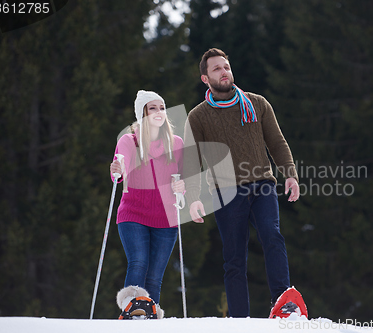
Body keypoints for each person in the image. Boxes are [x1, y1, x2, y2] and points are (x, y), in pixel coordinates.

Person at [183, 48, 300, 317]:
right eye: (216, 69)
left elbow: (277, 142)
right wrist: (193, 198)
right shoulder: (198, 116)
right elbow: (190, 161)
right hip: (225, 193)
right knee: (234, 259)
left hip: (263, 185)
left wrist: (290, 174)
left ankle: (284, 304)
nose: (224, 72)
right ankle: (239, 320)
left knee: (273, 236)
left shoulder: (257, 103)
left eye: (226, 66)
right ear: (205, 78)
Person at [110, 90, 185, 317]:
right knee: (139, 262)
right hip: (133, 212)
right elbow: (119, 168)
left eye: (162, 108)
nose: (159, 112)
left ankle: (149, 316)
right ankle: (133, 310)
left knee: (154, 276)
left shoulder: (177, 144)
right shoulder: (129, 141)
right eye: (152, 108)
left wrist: (182, 187)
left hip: (166, 217)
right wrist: (117, 171)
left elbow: (184, 179)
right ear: (142, 113)